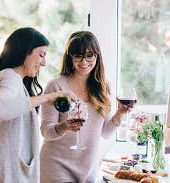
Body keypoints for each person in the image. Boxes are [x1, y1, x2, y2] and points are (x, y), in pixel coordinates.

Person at [0, 27, 71, 183]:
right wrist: (46, 98)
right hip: (6, 174)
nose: (44, 62)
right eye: (41, 55)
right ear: (25, 51)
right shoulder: (10, 77)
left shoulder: (14, 79)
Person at [40, 31, 131, 183]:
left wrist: (120, 113)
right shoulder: (56, 85)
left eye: (89, 55)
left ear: (97, 56)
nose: (84, 61)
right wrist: (64, 126)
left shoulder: (103, 87)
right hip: (56, 166)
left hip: (88, 169)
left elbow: (105, 132)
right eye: (78, 55)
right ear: (70, 57)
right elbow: (46, 131)